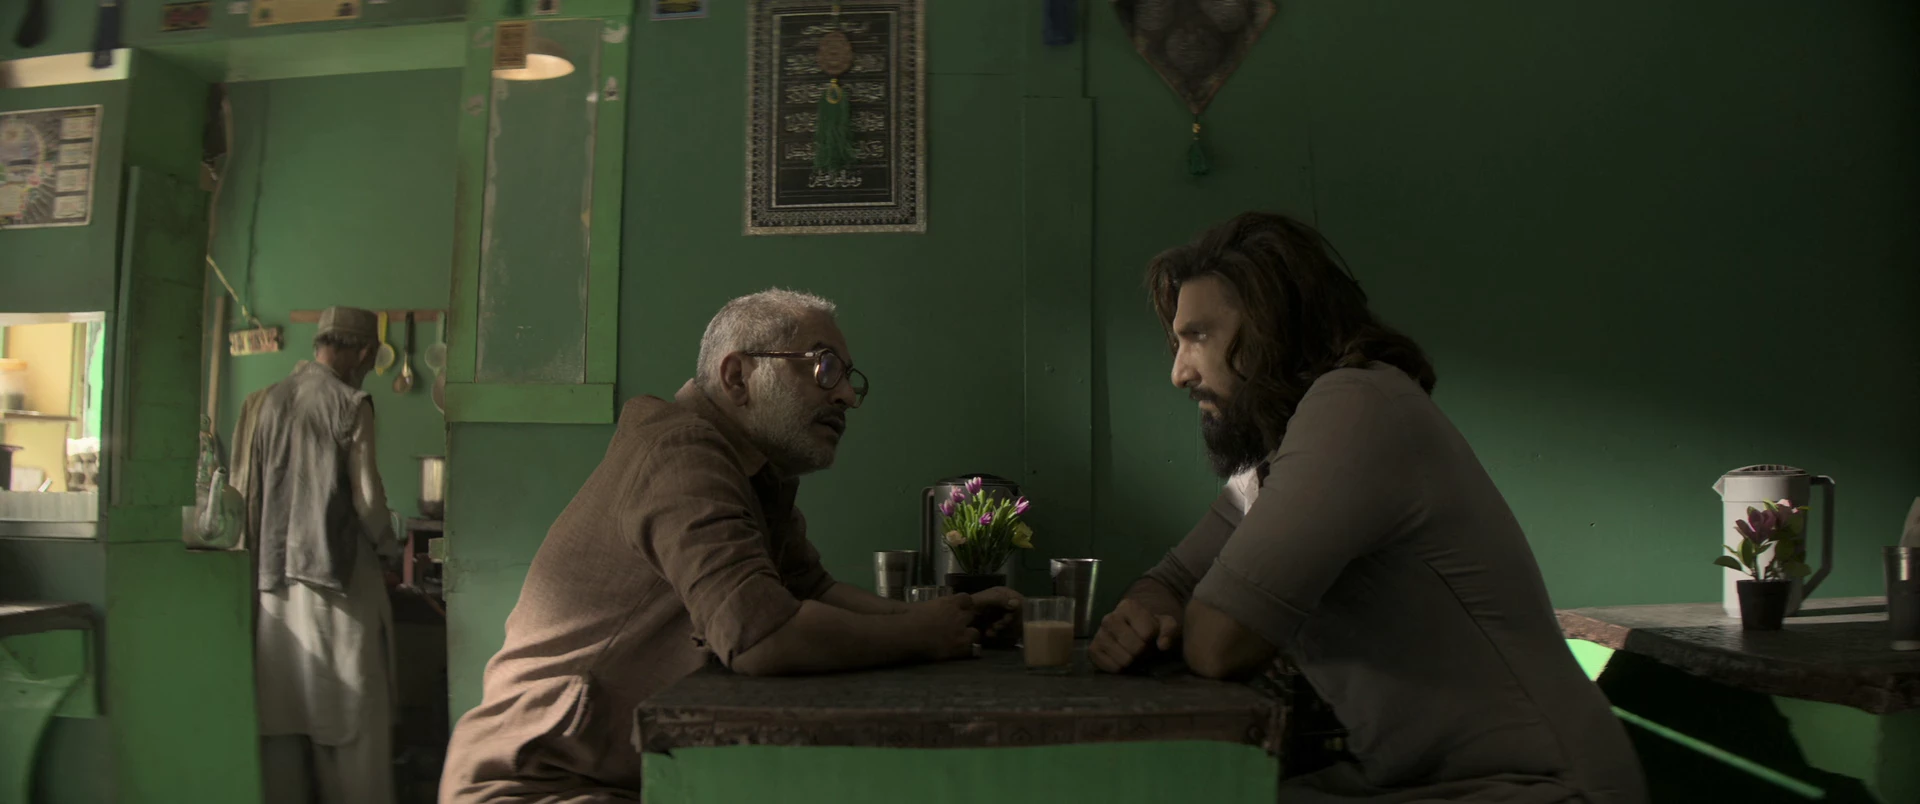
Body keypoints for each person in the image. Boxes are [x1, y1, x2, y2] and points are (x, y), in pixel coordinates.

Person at [1090, 213, 1647, 803]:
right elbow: (1171, 580)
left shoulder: (1354, 408)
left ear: (1273, 326)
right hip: (1425, 781)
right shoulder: (1283, 449)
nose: (1179, 372)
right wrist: (1146, 616)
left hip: (1542, 786)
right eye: (1178, 341)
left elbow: (1219, 645)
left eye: (1198, 336)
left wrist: (1173, 624)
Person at [440, 289, 1019, 803]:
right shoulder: (680, 452)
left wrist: (952, 616)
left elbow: (812, 590)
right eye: (824, 367)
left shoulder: (755, 470)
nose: (847, 395)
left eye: (849, 378)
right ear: (738, 377)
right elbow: (762, 638)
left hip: (624, 780)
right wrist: (924, 634)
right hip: (535, 787)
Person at [237, 305, 402, 804]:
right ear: (365, 352)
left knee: (285, 726)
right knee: (355, 729)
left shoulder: (267, 401)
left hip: (274, 588)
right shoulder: (350, 402)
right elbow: (368, 501)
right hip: (336, 585)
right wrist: (390, 547)